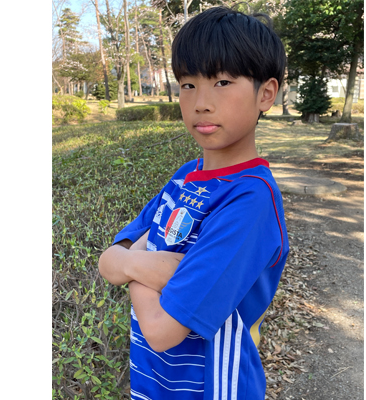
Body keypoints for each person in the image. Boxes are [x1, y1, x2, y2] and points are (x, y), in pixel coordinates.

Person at [98, 6, 289, 399]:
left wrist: (133, 261)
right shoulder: (186, 176)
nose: (201, 102)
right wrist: (148, 265)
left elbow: (161, 330)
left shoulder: (250, 199)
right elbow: (108, 261)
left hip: (212, 389)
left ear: (266, 93)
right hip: (153, 384)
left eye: (222, 82)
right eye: (188, 84)